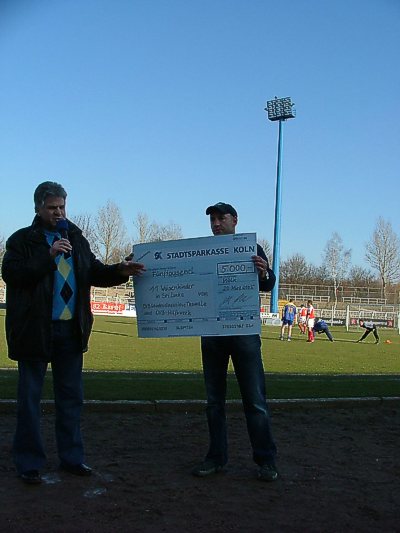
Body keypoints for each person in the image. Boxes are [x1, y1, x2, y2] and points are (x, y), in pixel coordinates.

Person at [2, 181, 145, 484]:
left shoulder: (76, 239)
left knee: (71, 398)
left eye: (62, 207)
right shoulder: (21, 240)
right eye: (52, 208)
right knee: (30, 400)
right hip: (34, 331)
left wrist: (120, 270)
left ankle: (72, 458)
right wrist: (48, 255)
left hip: (70, 330)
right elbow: (13, 275)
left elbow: (93, 272)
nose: (58, 213)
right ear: (38, 208)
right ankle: (29, 462)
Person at [191, 202, 278, 482]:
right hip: (213, 334)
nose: (216, 223)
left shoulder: (251, 248)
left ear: (235, 220)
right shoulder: (203, 250)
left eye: (221, 218)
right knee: (214, 402)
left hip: (243, 334)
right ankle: (216, 457)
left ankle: (266, 460)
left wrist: (264, 272)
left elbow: (268, 283)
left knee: (255, 400)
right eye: (213, 220)